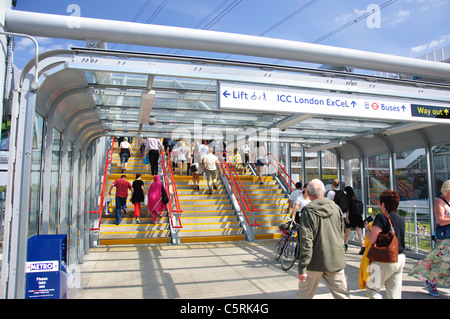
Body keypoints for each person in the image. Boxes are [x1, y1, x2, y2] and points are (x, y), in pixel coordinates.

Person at [296, 179, 350, 299]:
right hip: (336, 260)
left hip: (314, 262)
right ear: (325, 192)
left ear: (308, 194)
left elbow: (306, 241)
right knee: (342, 295)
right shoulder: (336, 209)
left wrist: (302, 267)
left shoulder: (308, 211)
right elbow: (341, 233)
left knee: (304, 295)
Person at [409, 179, 450, 296]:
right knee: (440, 260)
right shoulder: (439, 201)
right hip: (446, 238)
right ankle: (430, 280)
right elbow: (441, 220)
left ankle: (432, 280)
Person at [364, 190, 405, 299]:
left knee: (372, 290)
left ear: (383, 204)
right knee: (394, 293)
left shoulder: (381, 217)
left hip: (383, 258)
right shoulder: (400, 219)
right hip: (399, 258)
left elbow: (372, 239)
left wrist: (367, 230)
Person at [343, 186, 365, 254]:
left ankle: (345, 246)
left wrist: (347, 217)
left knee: (347, 231)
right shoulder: (355, 198)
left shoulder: (347, 198)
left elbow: (347, 209)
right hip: (358, 216)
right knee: (359, 232)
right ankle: (363, 245)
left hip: (351, 216)